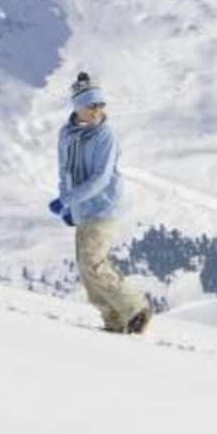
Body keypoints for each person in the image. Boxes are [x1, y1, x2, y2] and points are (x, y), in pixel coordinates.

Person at [50, 71, 153, 335]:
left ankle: (136, 309)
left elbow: (101, 178)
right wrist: (69, 206)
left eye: (101, 104)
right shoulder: (67, 134)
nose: (98, 110)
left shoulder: (105, 135)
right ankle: (114, 320)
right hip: (82, 209)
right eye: (92, 105)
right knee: (87, 270)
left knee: (93, 263)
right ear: (79, 108)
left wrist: (67, 199)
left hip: (104, 206)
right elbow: (65, 171)